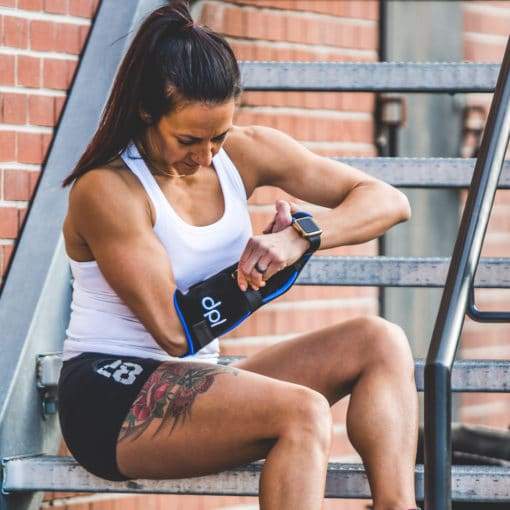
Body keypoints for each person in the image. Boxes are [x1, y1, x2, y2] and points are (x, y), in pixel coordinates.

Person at [57, 2, 420, 509]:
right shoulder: (108, 190)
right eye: (187, 138)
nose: (205, 156)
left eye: (218, 136)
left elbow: (389, 200)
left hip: (201, 379)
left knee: (380, 339)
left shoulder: (247, 153)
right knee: (303, 412)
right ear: (146, 111)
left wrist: (300, 237)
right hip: (110, 396)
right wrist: (268, 274)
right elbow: (174, 331)